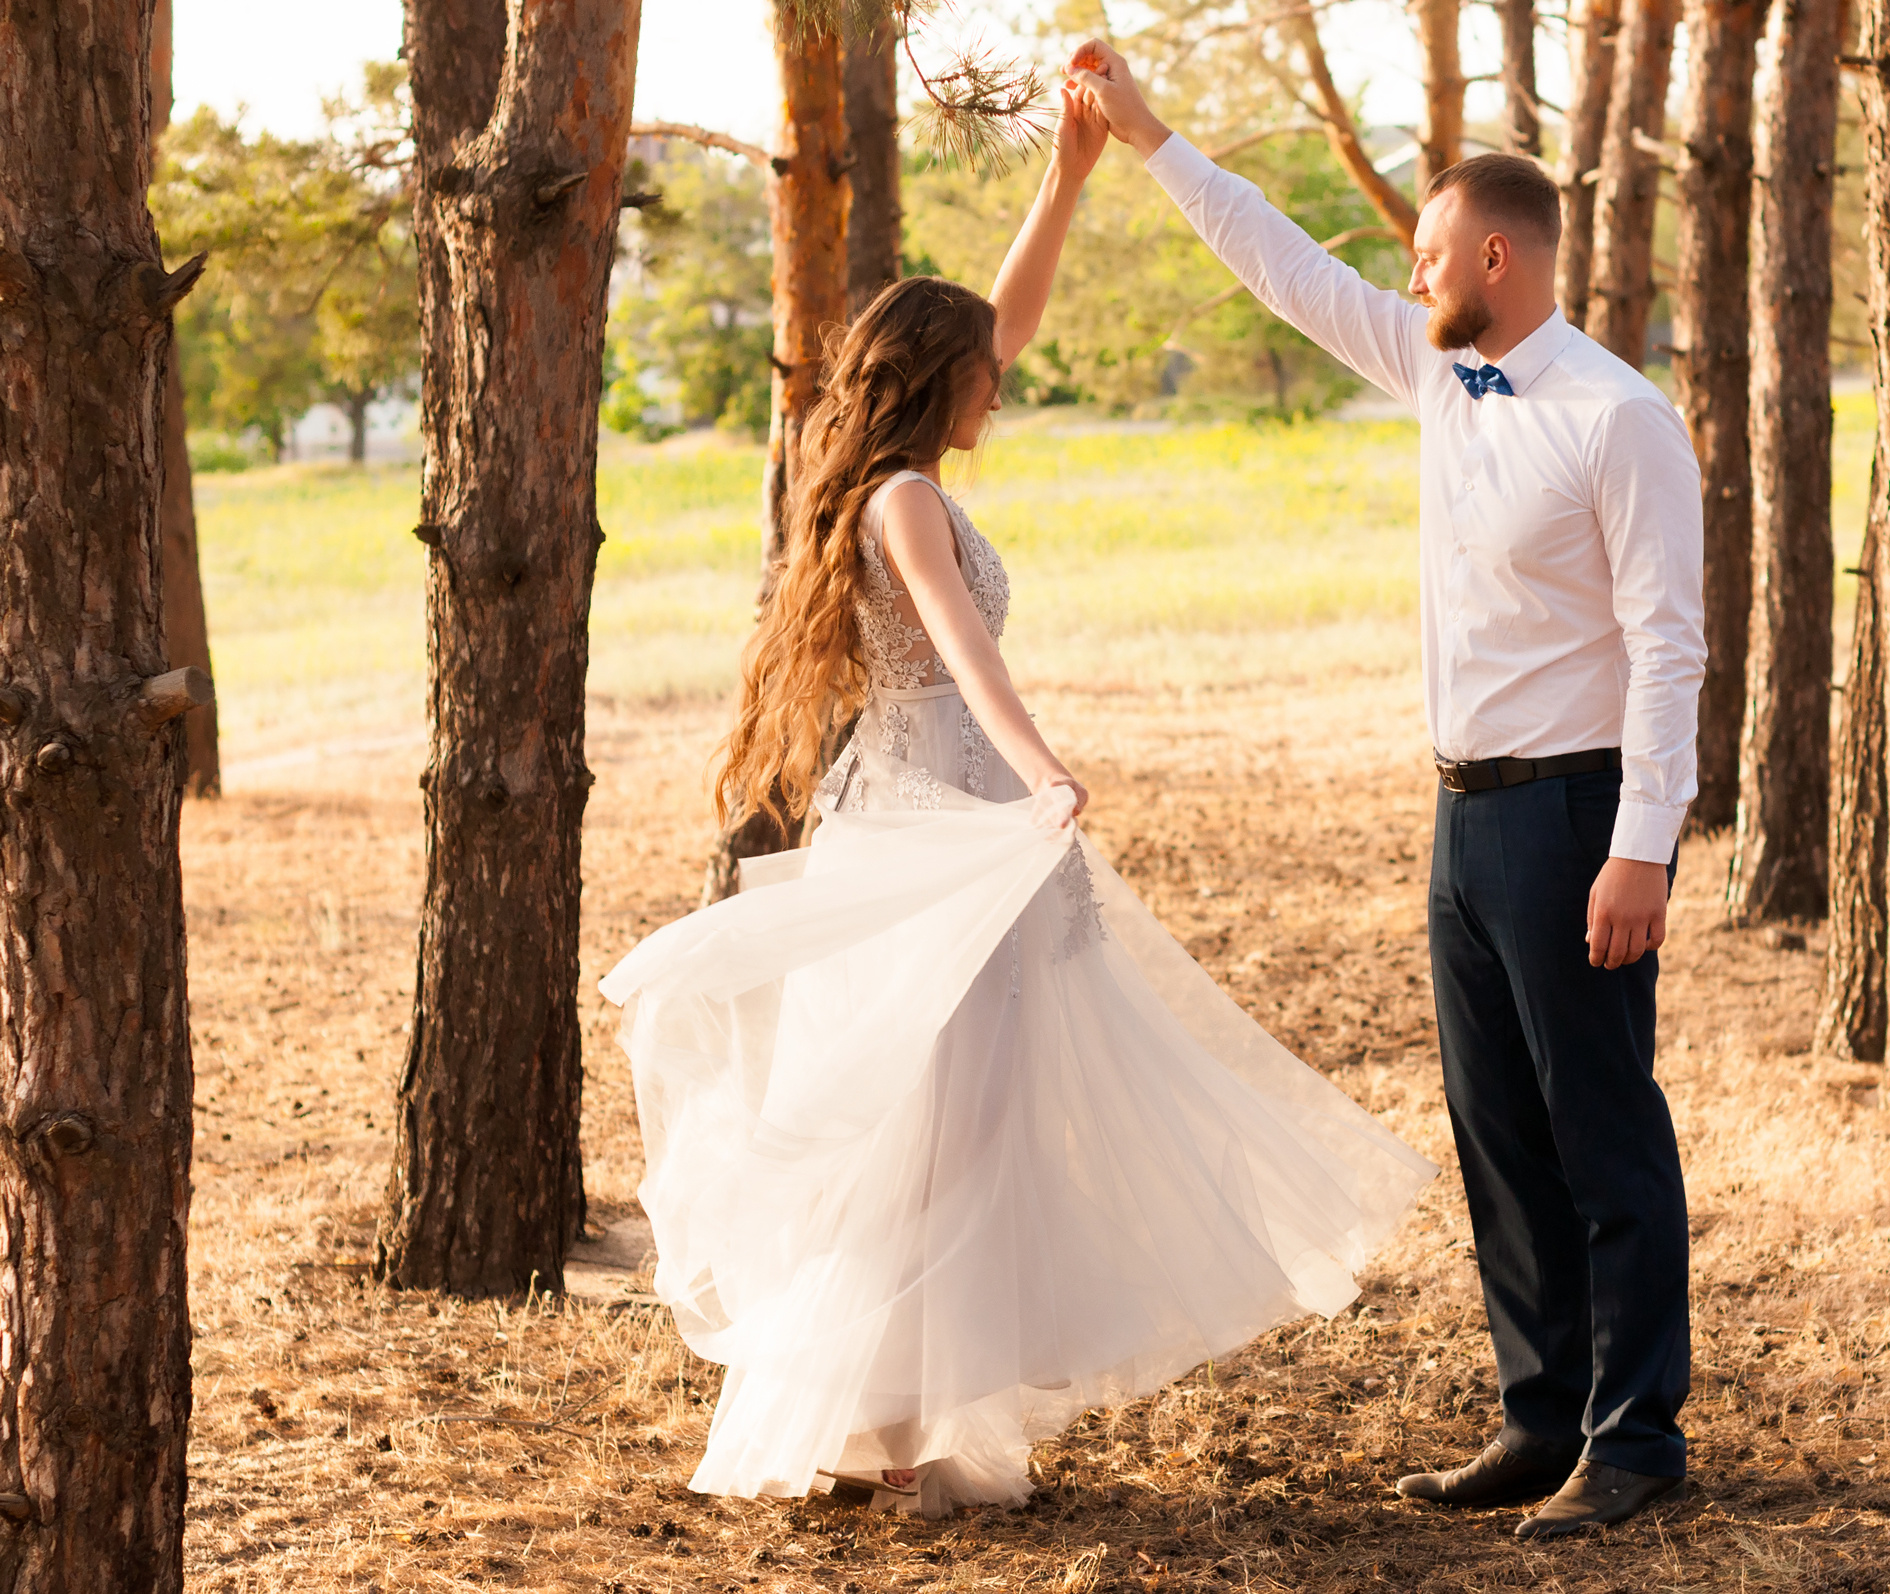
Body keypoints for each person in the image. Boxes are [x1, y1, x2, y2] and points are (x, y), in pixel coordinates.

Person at [596, 80, 1434, 1521]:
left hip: (961, 822)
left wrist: (1066, 174)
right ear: (937, 384)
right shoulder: (907, 502)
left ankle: (893, 1415)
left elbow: (1010, 322)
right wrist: (1044, 768)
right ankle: (862, 1408)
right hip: (944, 823)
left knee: (961, 1129)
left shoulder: (903, 466)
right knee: (933, 1133)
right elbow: (967, 657)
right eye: (984, 373)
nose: (1008, 381)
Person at [1067, 43, 1707, 1539]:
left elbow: (1671, 646)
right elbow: (1281, 264)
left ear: (1495, 252)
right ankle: (1539, 1415)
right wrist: (1152, 135)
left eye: (1424, 246)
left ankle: (1636, 1441)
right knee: (1498, 1133)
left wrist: (1643, 849)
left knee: (1604, 1131)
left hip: (1577, 813)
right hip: (1464, 818)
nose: (1406, 269)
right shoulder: (1436, 366)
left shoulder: (1618, 417)